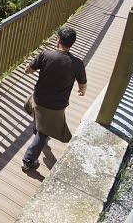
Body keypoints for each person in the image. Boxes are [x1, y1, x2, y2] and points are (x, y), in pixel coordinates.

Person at [21, 27, 87, 172]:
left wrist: (28, 67)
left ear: (58, 41)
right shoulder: (77, 63)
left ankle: (32, 147)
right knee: (44, 131)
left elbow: (28, 70)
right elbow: (82, 85)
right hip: (56, 106)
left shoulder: (46, 55)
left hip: (38, 99)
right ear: (72, 44)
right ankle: (28, 160)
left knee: (39, 115)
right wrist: (81, 91)